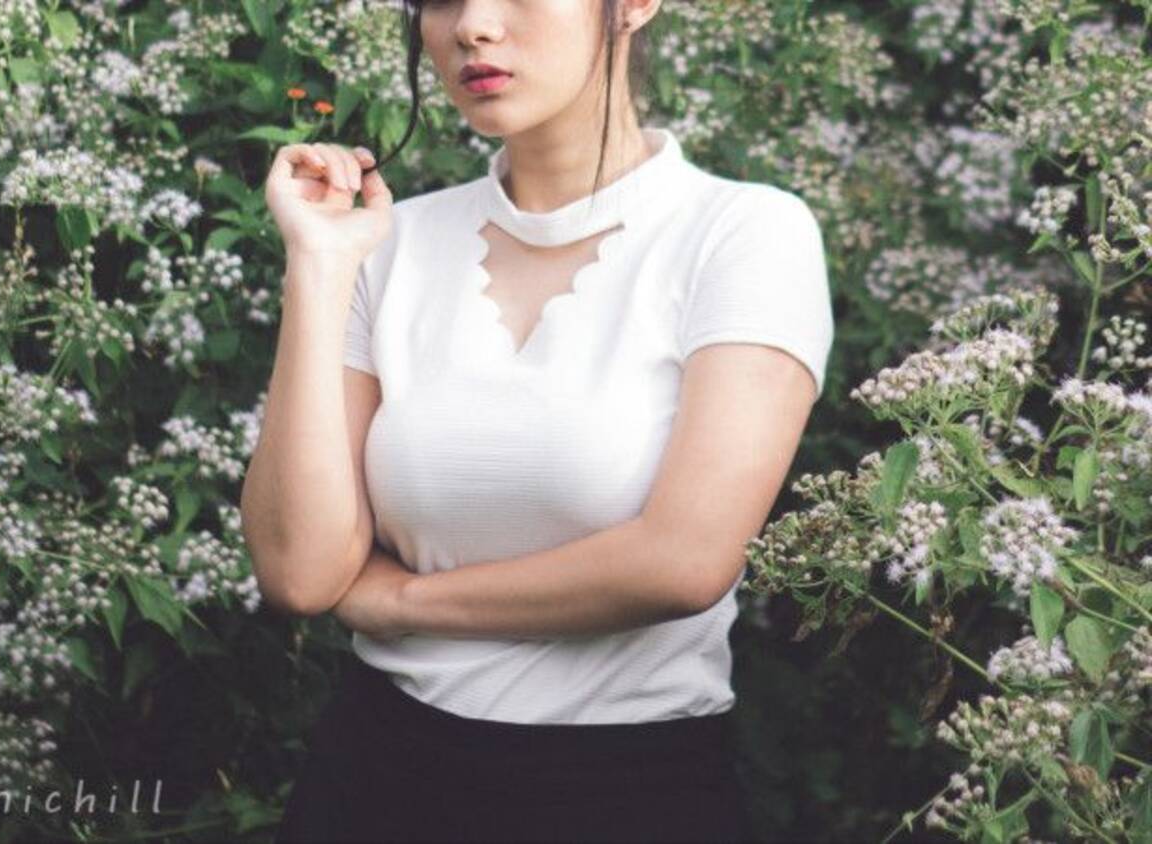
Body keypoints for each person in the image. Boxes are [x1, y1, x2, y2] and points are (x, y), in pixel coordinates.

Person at [244, 0, 835, 841]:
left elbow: (683, 564)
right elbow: (301, 575)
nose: (473, 26)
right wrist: (318, 264)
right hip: (372, 781)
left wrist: (400, 598)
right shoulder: (386, 243)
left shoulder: (742, 233)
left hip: (625, 794)